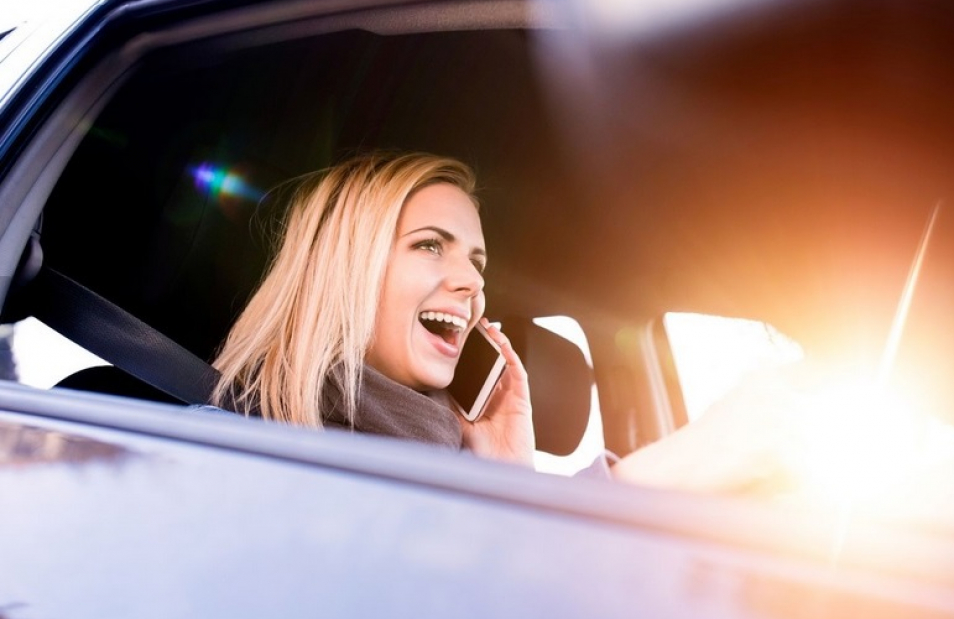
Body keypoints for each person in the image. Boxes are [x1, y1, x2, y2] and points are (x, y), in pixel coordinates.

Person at [211, 150, 797, 488]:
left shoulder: (456, 462)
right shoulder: (230, 454)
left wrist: (508, 475)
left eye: (476, 261)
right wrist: (678, 464)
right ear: (343, 269)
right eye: (429, 245)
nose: (473, 282)